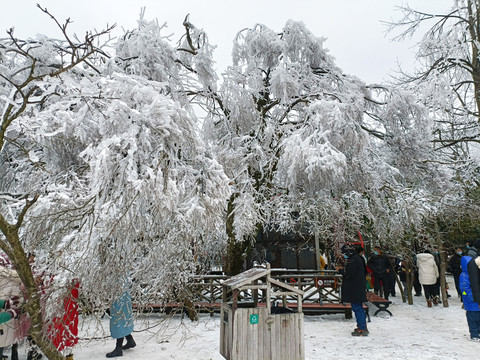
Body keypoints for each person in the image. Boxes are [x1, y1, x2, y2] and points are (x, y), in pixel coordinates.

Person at [337, 244, 368, 336]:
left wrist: (340, 270)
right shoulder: (357, 258)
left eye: (344, 253)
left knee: (357, 308)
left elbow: (349, 273)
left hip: (355, 288)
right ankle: (362, 325)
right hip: (357, 287)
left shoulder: (353, 259)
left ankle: (362, 328)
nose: (343, 255)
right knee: (358, 307)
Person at [48, 280, 80, 360]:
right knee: (58, 333)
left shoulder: (70, 277)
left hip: (68, 307)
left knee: (68, 332)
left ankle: (68, 356)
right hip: (57, 308)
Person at [106, 282, 136, 358]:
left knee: (118, 319)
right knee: (123, 319)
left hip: (119, 295)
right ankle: (130, 340)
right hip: (124, 295)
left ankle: (118, 348)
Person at [459, 255, 480, 341]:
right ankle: (474, 334)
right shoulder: (464, 276)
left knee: (478, 318)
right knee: (473, 319)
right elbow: (465, 289)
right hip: (471, 302)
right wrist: (473, 297)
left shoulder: (474, 274)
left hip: (476, 301)